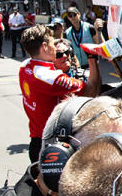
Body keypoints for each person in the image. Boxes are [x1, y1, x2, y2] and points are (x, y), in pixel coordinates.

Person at [20, 25, 101, 163]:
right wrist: (92, 57)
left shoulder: (25, 65)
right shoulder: (51, 78)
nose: (55, 47)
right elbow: (92, 90)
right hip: (53, 145)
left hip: (37, 140)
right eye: (53, 43)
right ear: (45, 46)